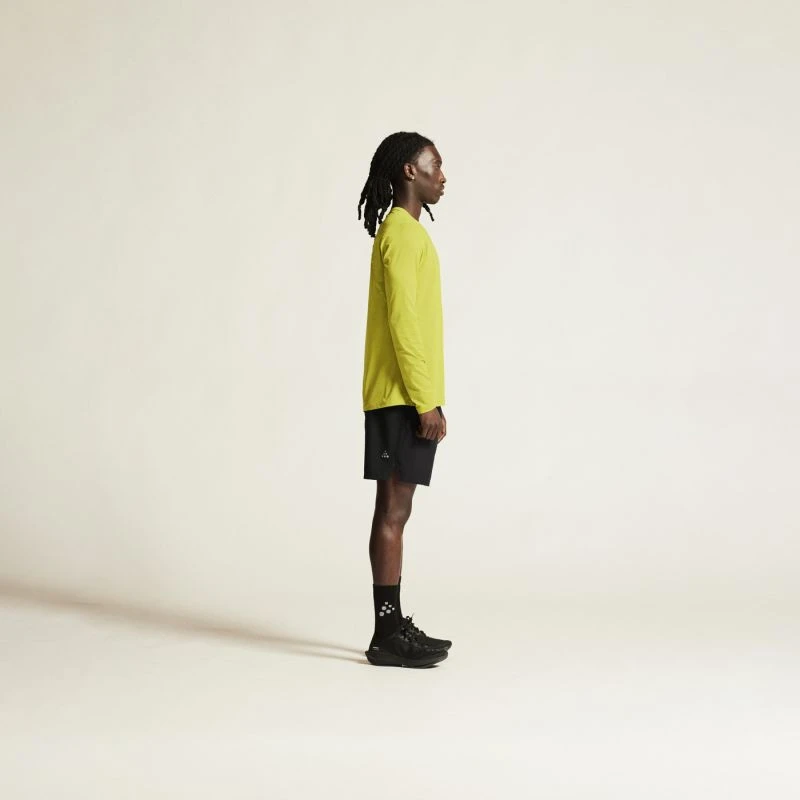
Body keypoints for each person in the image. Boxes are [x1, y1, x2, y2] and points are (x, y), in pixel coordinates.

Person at [357, 131, 452, 668]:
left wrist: (428, 397)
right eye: (435, 165)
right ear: (409, 172)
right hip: (400, 398)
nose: (443, 176)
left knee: (398, 509)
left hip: (405, 396)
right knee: (393, 511)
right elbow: (403, 325)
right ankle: (387, 634)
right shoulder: (399, 232)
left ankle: (391, 627)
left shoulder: (409, 234)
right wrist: (424, 402)